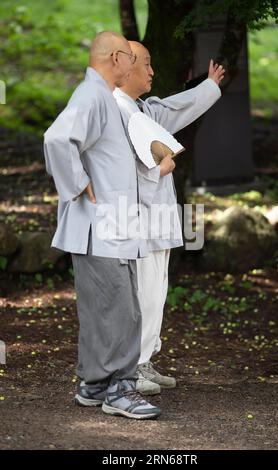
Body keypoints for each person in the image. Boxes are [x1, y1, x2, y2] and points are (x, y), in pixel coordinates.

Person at [44, 31, 161, 419]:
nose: (133, 63)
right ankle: (119, 390)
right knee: (120, 311)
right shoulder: (92, 95)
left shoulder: (101, 96)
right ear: (115, 58)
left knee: (104, 309)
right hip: (103, 228)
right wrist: (77, 183)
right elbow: (58, 139)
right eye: (130, 56)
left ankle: (93, 385)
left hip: (111, 226)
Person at [113, 41, 225, 395]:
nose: (151, 71)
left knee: (156, 289)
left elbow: (177, 107)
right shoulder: (114, 110)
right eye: (145, 64)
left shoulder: (144, 108)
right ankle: (131, 367)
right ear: (124, 67)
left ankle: (144, 359)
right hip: (135, 219)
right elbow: (115, 169)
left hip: (157, 217)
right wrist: (158, 170)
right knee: (142, 291)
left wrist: (209, 86)